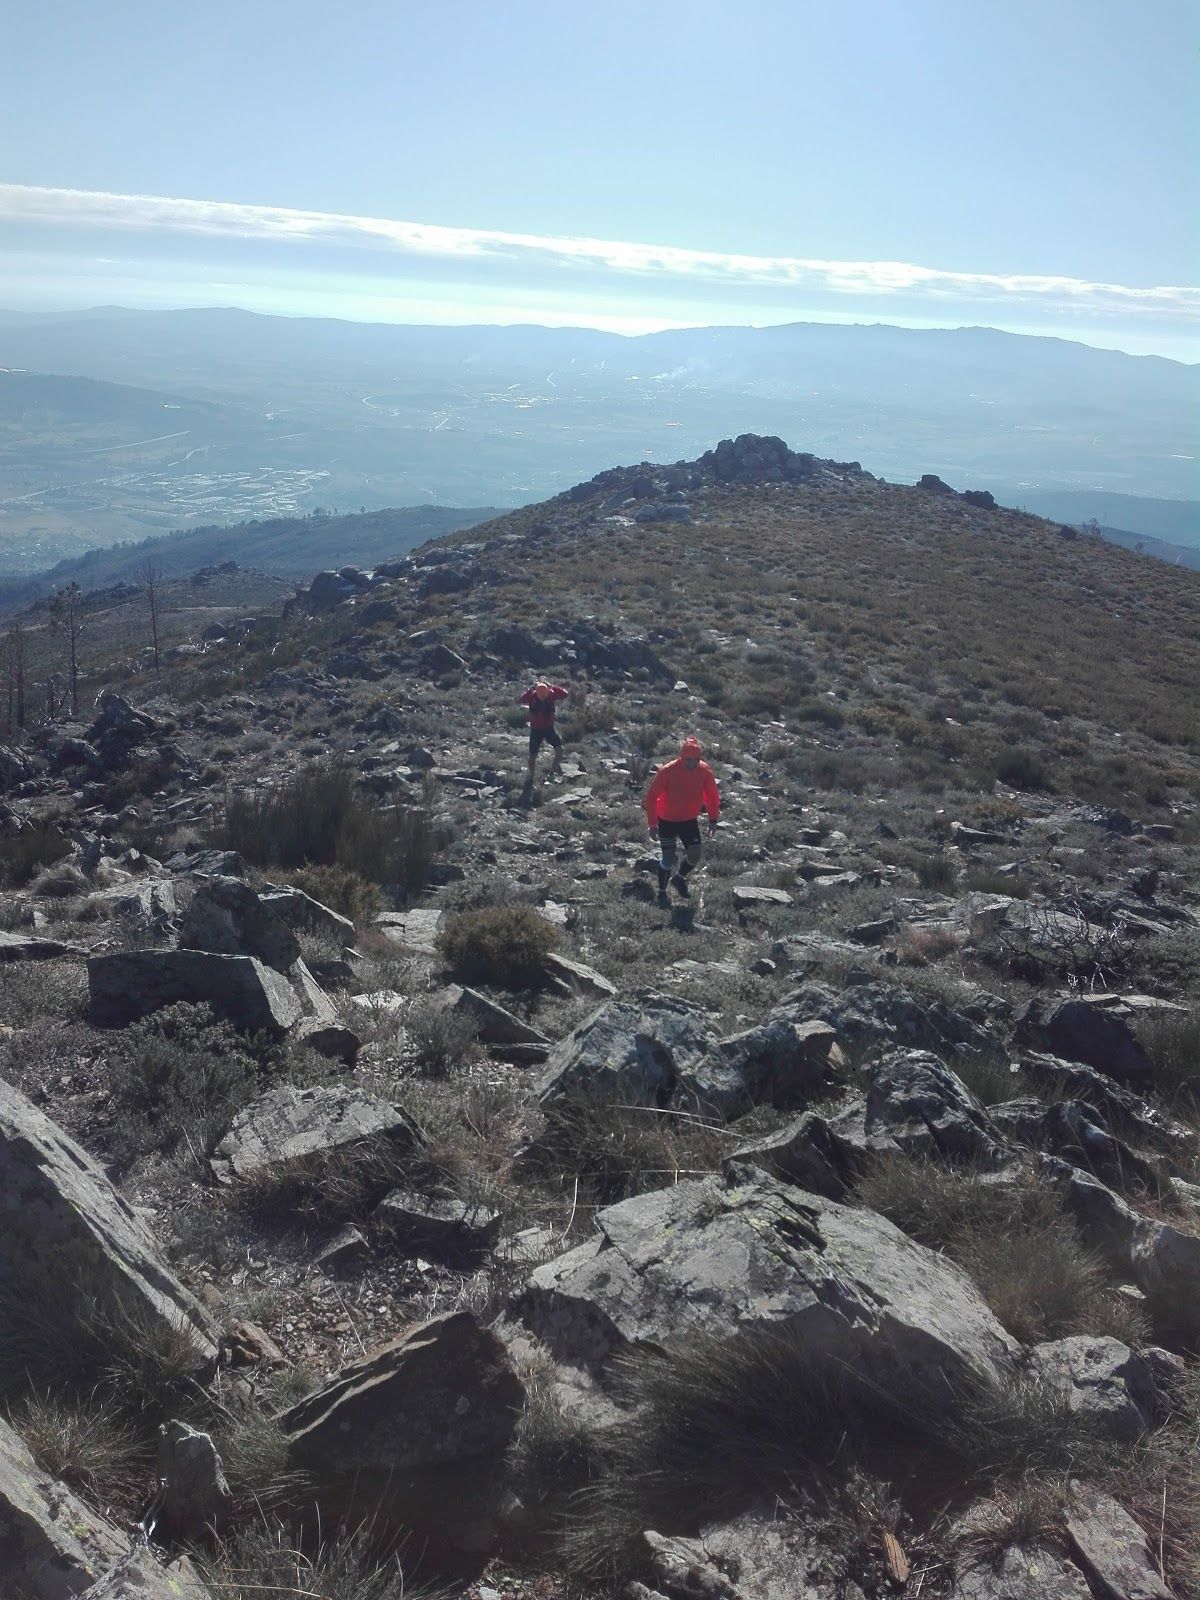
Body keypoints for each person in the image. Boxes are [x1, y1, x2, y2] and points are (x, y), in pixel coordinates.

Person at [643, 735, 720, 900]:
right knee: (668, 858)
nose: (691, 764)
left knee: (694, 854)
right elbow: (651, 797)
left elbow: (712, 796)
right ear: (681, 757)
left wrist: (713, 820)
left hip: (688, 820)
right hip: (667, 820)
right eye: (688, 760)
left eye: (695, 760)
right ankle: (662, 893)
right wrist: (652, 823)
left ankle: (679, 879)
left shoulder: (704, 771)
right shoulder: (667, 771)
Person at [520, 680, 569, 785]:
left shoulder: (551, 694)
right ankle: (531, 778)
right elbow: (521, 699)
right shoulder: (532, 696)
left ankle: (551, 775)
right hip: (536, 730)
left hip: (548, 729)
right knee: (532, 755)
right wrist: (530, 689)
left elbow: (565, 694)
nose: (542, 697)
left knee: (560, 750)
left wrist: (553, 686)